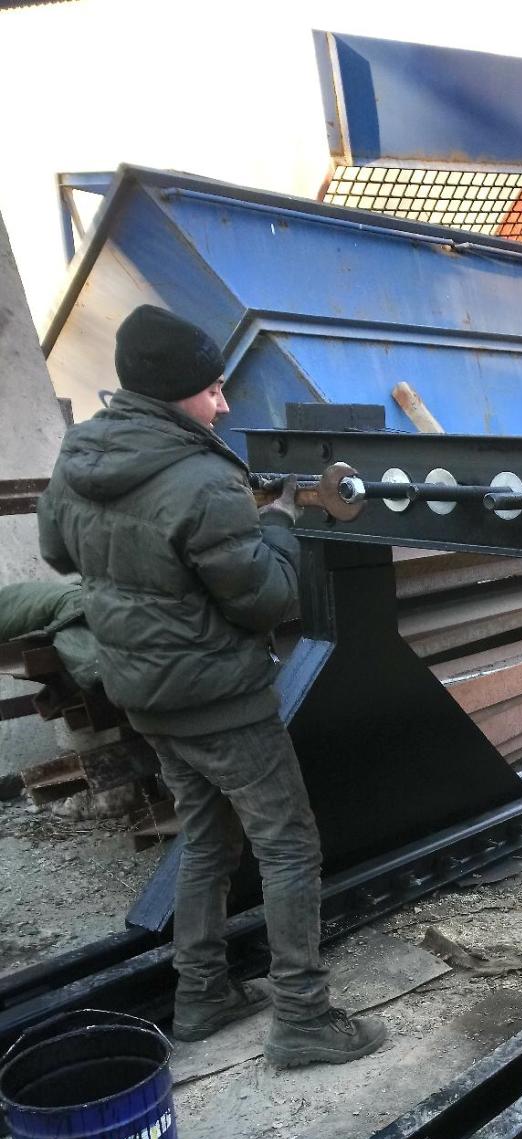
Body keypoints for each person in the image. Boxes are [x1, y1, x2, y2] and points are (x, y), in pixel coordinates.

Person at [37, 304, 386, 1067]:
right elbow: (265, 600)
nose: (223, 404)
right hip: (219, 700)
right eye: (212, 389)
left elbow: (59, 552)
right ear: (173, 393)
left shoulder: (80, 456)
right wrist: (280, 522)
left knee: (205, 837)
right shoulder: (203, 478)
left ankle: (200, 997)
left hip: (143, 695)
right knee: (288, 845)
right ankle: (302, 1019)